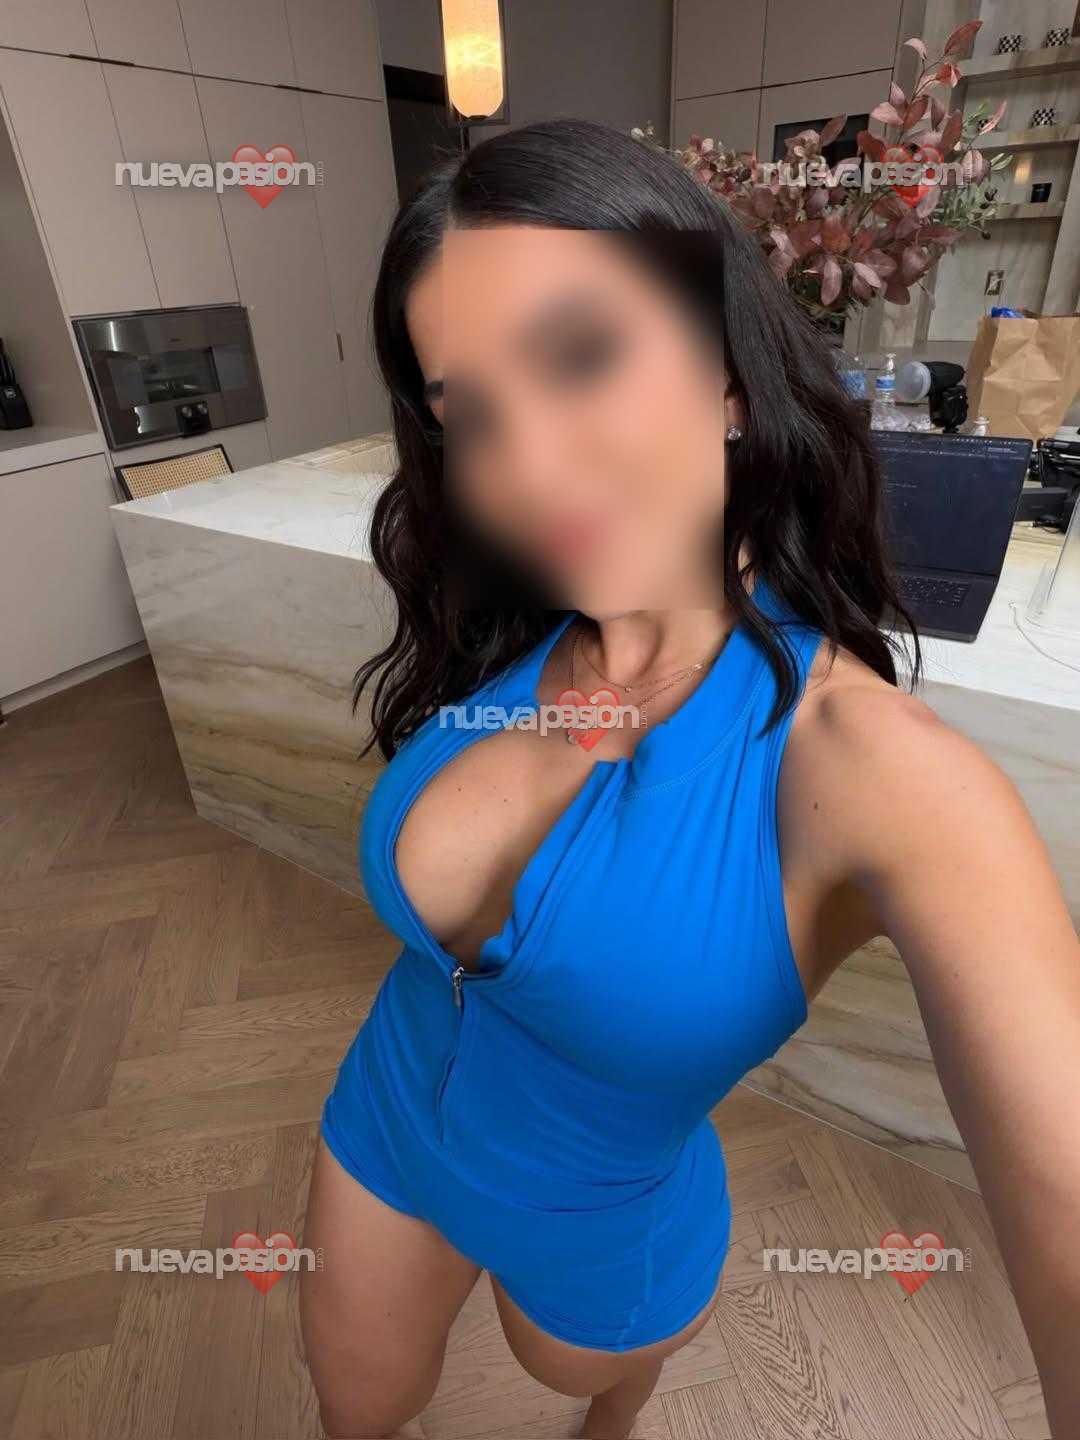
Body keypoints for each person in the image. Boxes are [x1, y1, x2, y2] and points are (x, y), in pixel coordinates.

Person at [298, 118, 1080, 1440]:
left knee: (593, 1397)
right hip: (382, 1124)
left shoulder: (877, 770)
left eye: (583, 356)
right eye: (471, 416)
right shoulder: (504, 634)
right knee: (352, 1412)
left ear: (727, 375)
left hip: (604, 1225)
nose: (529, 468)